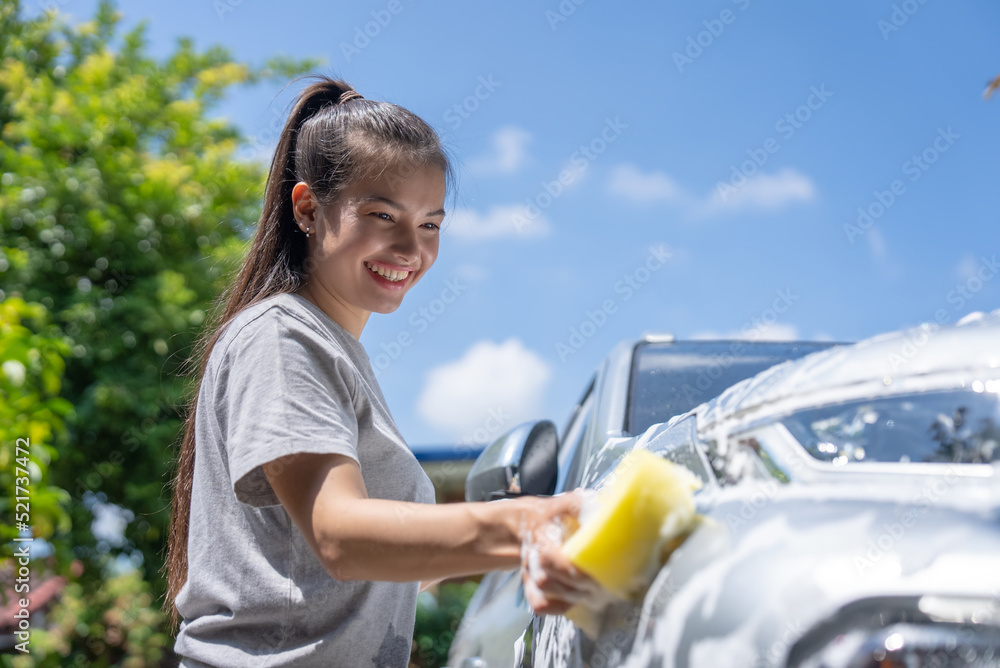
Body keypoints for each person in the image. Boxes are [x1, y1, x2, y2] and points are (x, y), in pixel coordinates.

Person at [164, 75, 593, 667]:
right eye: (382, 215)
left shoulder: (331, 350)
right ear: (308, 208)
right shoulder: (283, 336)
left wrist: (519, 554)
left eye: (430, 224)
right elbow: (341, 538)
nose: (411, 250)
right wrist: (535, 523)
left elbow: (356, 576)